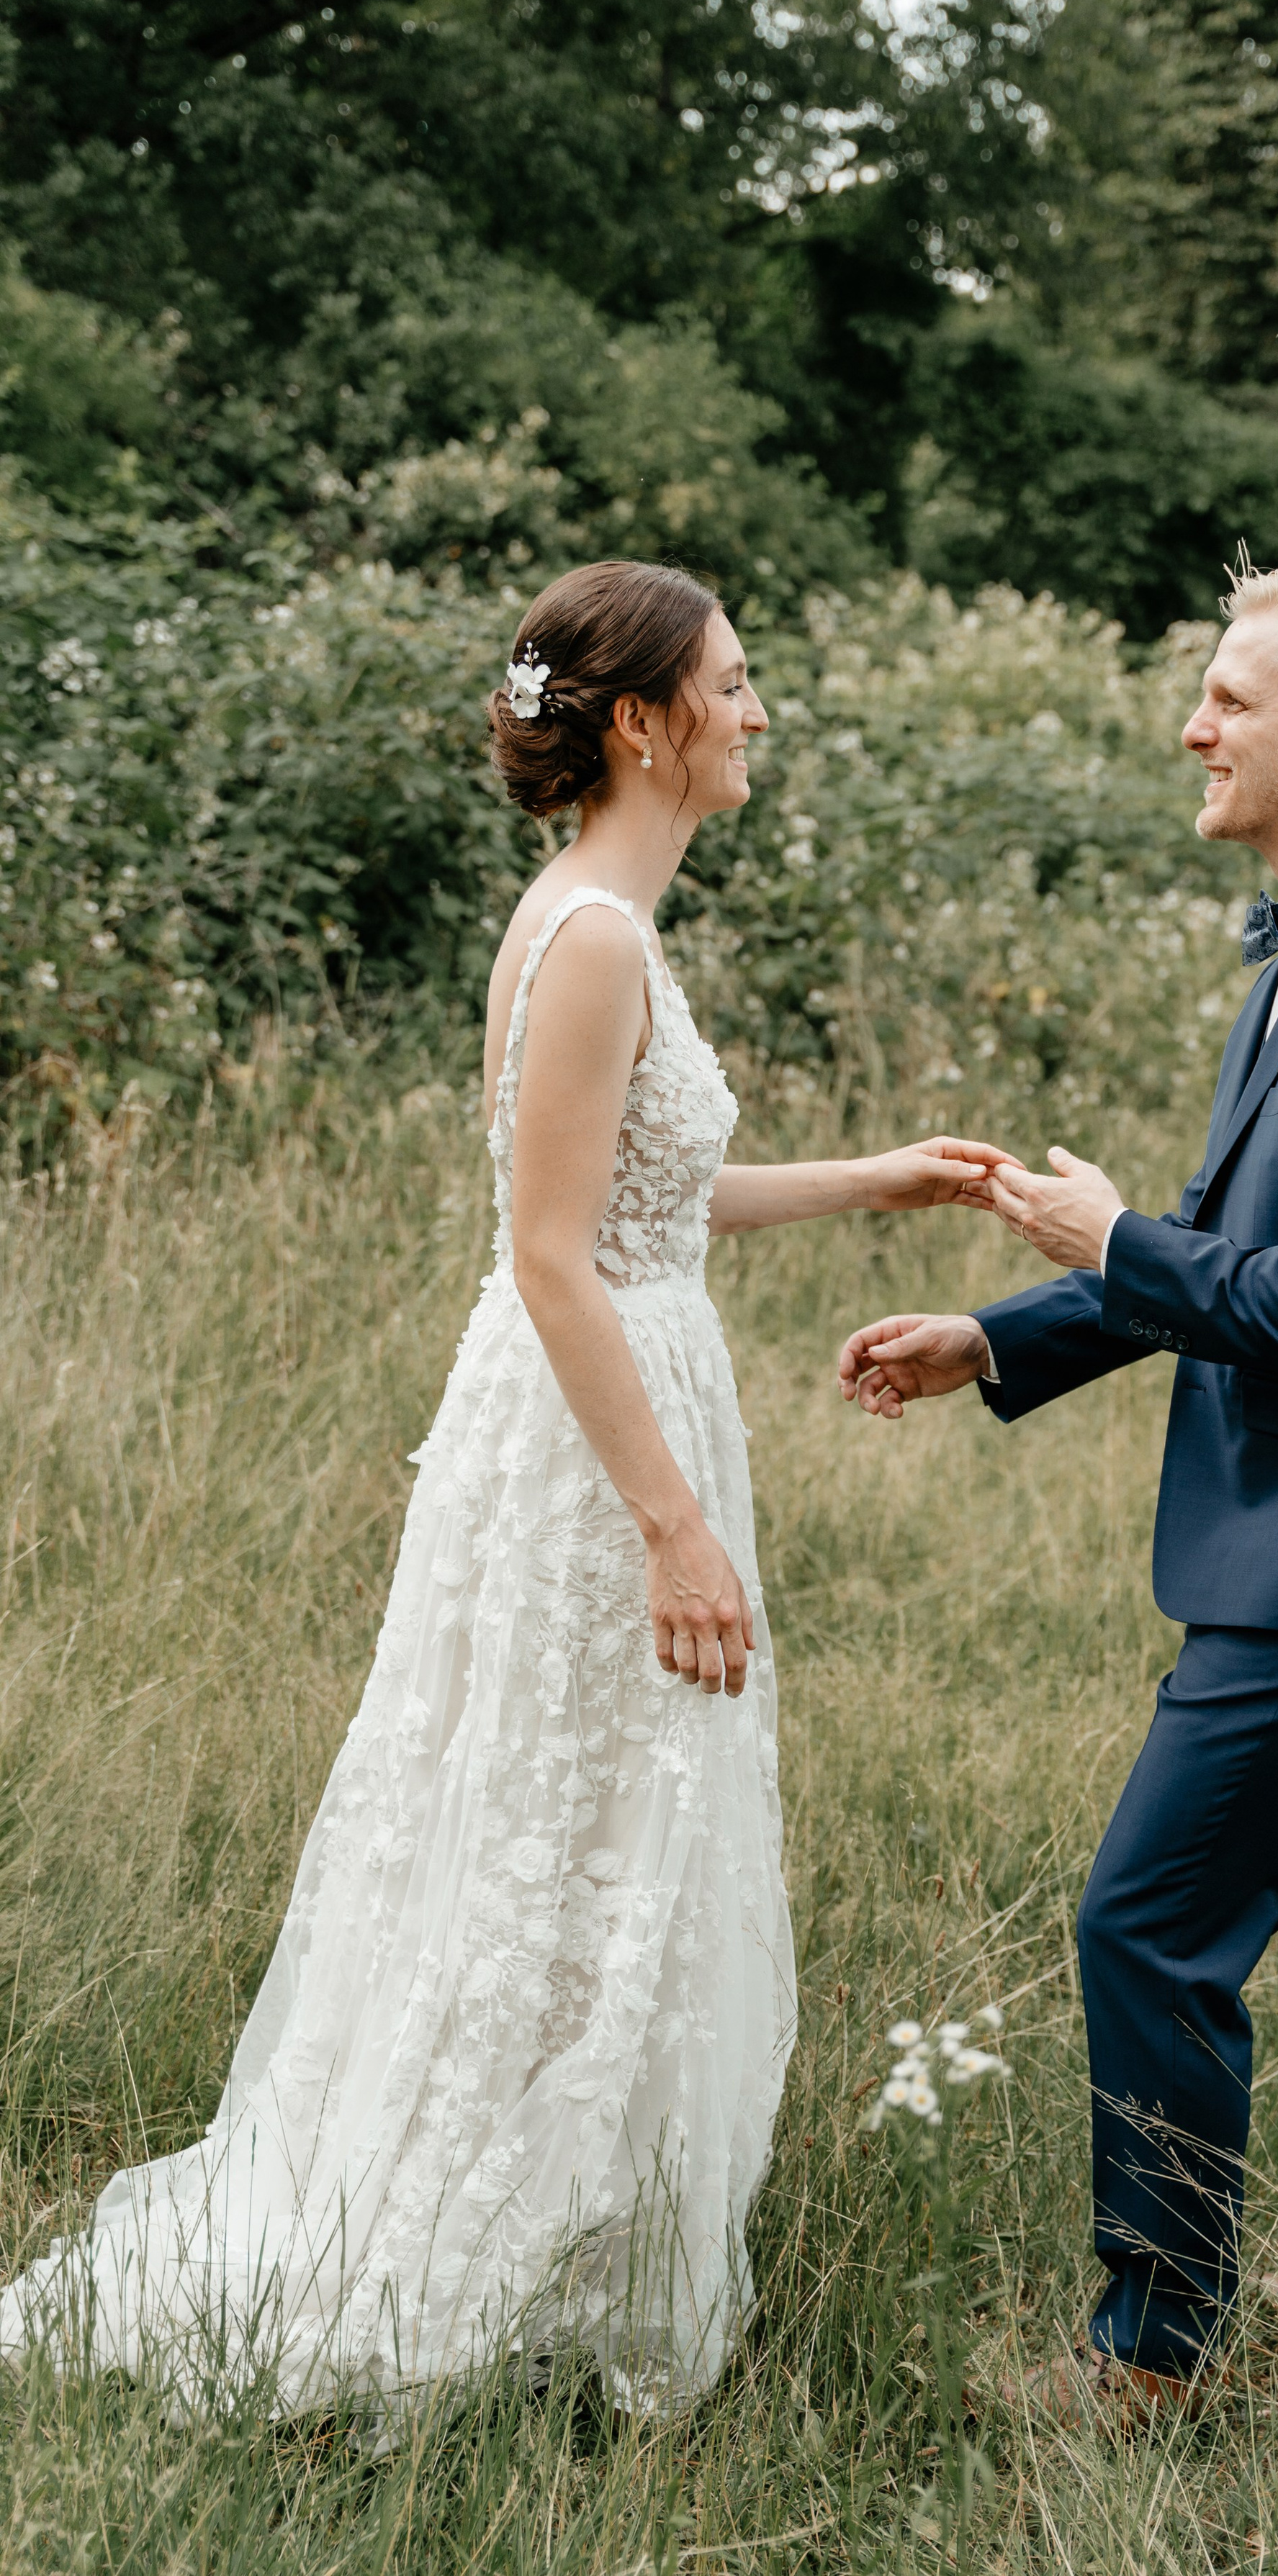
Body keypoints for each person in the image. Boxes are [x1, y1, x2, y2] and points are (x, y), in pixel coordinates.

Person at [1, 559, 1012, 2418]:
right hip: (587, 1439)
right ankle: (446, 2249)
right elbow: (552, 1253)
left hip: (615, 1391)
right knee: (558, 1816)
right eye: (732, 678)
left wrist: (889, 1180)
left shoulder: (600, 918)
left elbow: (649, 1200)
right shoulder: (598, 935)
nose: (758, 709)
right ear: (642, 723)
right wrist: (671, 1522)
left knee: (601, 1817)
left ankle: (565, 2222)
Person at [838, 564, 1278, 2418]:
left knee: (1147, 1923)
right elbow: (1239, 1244)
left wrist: (1120, 1233)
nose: (1193, 726)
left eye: (1230, 695)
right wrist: (1005, 1335)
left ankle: (1157, 2358)